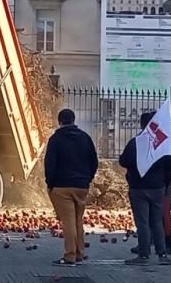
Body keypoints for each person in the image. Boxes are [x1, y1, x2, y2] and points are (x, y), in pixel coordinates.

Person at [44, 109, 99, 267]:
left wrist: (51, 183)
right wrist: (87, 179)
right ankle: (80, 253)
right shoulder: (85, 138)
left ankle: (70, 256)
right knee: (78, 220)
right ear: (74, 120)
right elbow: (94, 162)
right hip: (81, 186)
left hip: (62, 187)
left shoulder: (55, 139)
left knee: (68, 222)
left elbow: (50, 164)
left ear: (59, 121)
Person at [119, 112, 171, 266]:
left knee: (142, 221)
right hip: (157, 187)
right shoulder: (162, 143)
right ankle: (162, 254)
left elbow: (124, 161)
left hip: (139, 186)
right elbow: (170, 163)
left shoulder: (135, 142)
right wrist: (165, 182)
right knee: (156, 220)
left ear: (142, 124)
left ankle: (143, 254)